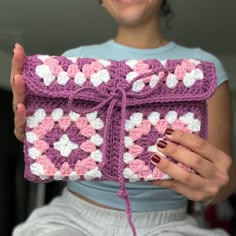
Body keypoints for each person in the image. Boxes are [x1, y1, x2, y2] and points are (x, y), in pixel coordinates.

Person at [11, 0, 235, 235]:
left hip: (169, 225)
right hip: (71, 219)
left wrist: (214, 187)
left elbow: (223, 177)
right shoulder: (69, 63)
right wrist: (33, 133)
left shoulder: (203, 71)